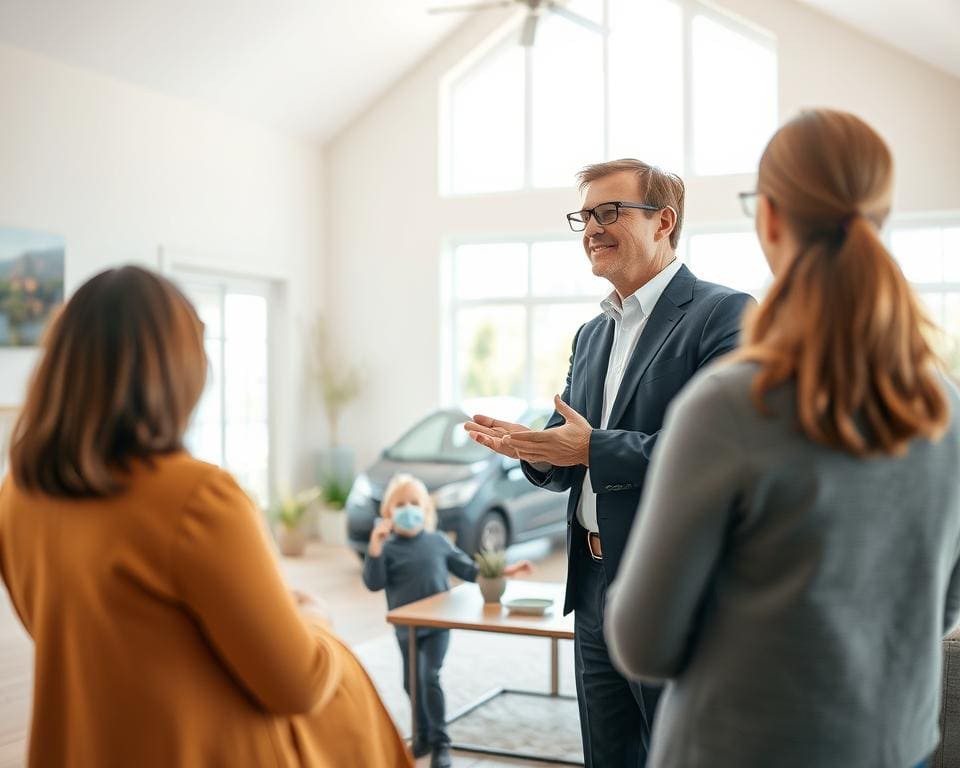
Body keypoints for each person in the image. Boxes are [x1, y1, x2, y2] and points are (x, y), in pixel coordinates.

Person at [605, 109, 960, 768]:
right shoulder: (946, 408)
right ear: (877, 217)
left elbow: (643, 644)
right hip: (895, 744)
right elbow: (943, 601)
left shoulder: (732, 405)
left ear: (768, 218)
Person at [0, 266, 412, 768]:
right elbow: (298, 685)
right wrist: (314, 620)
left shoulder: (17, 493)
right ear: (177, 371)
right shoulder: (197, 498)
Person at [465, 159, 753, 767]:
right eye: (585, 216)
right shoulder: (592, 333)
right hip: (592, 584)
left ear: (664, 222)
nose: (591, 228)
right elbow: (566, 443)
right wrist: (530, 449)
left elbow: (723, 454)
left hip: (674, 582)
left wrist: (591, 449)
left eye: (609, 212)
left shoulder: (725, 316)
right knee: (607, 753)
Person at [363, 473, 533, 768]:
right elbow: (374, 582)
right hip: (406, 630)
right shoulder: (388, 549)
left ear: (426, 509)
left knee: (429, 677)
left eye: (414, 502)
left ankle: (441, 742)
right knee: (410, 683)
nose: (407, 508)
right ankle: (423, 736)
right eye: (400, 504)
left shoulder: (437, 542)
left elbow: (469, 570)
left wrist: (504, 571)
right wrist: (375, 547)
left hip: (437, 627)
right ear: (388, 512)